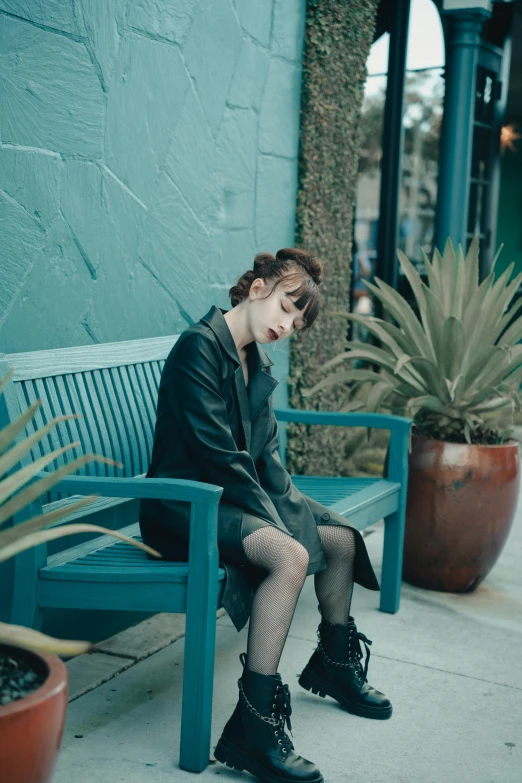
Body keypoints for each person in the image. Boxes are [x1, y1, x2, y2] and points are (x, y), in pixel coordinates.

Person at [139, 248, 391, 783]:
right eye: (284, 307)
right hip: (183, 506)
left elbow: (266, 460)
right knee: (288, 554)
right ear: (258, 288)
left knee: (341, 538)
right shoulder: (198, 349)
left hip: (228, 498)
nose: (287, 324)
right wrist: (280, 527)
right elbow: (217, 455)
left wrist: (294, 510)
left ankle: (335, 664)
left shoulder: (255, 358)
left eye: (296, 321)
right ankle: (252, 727)